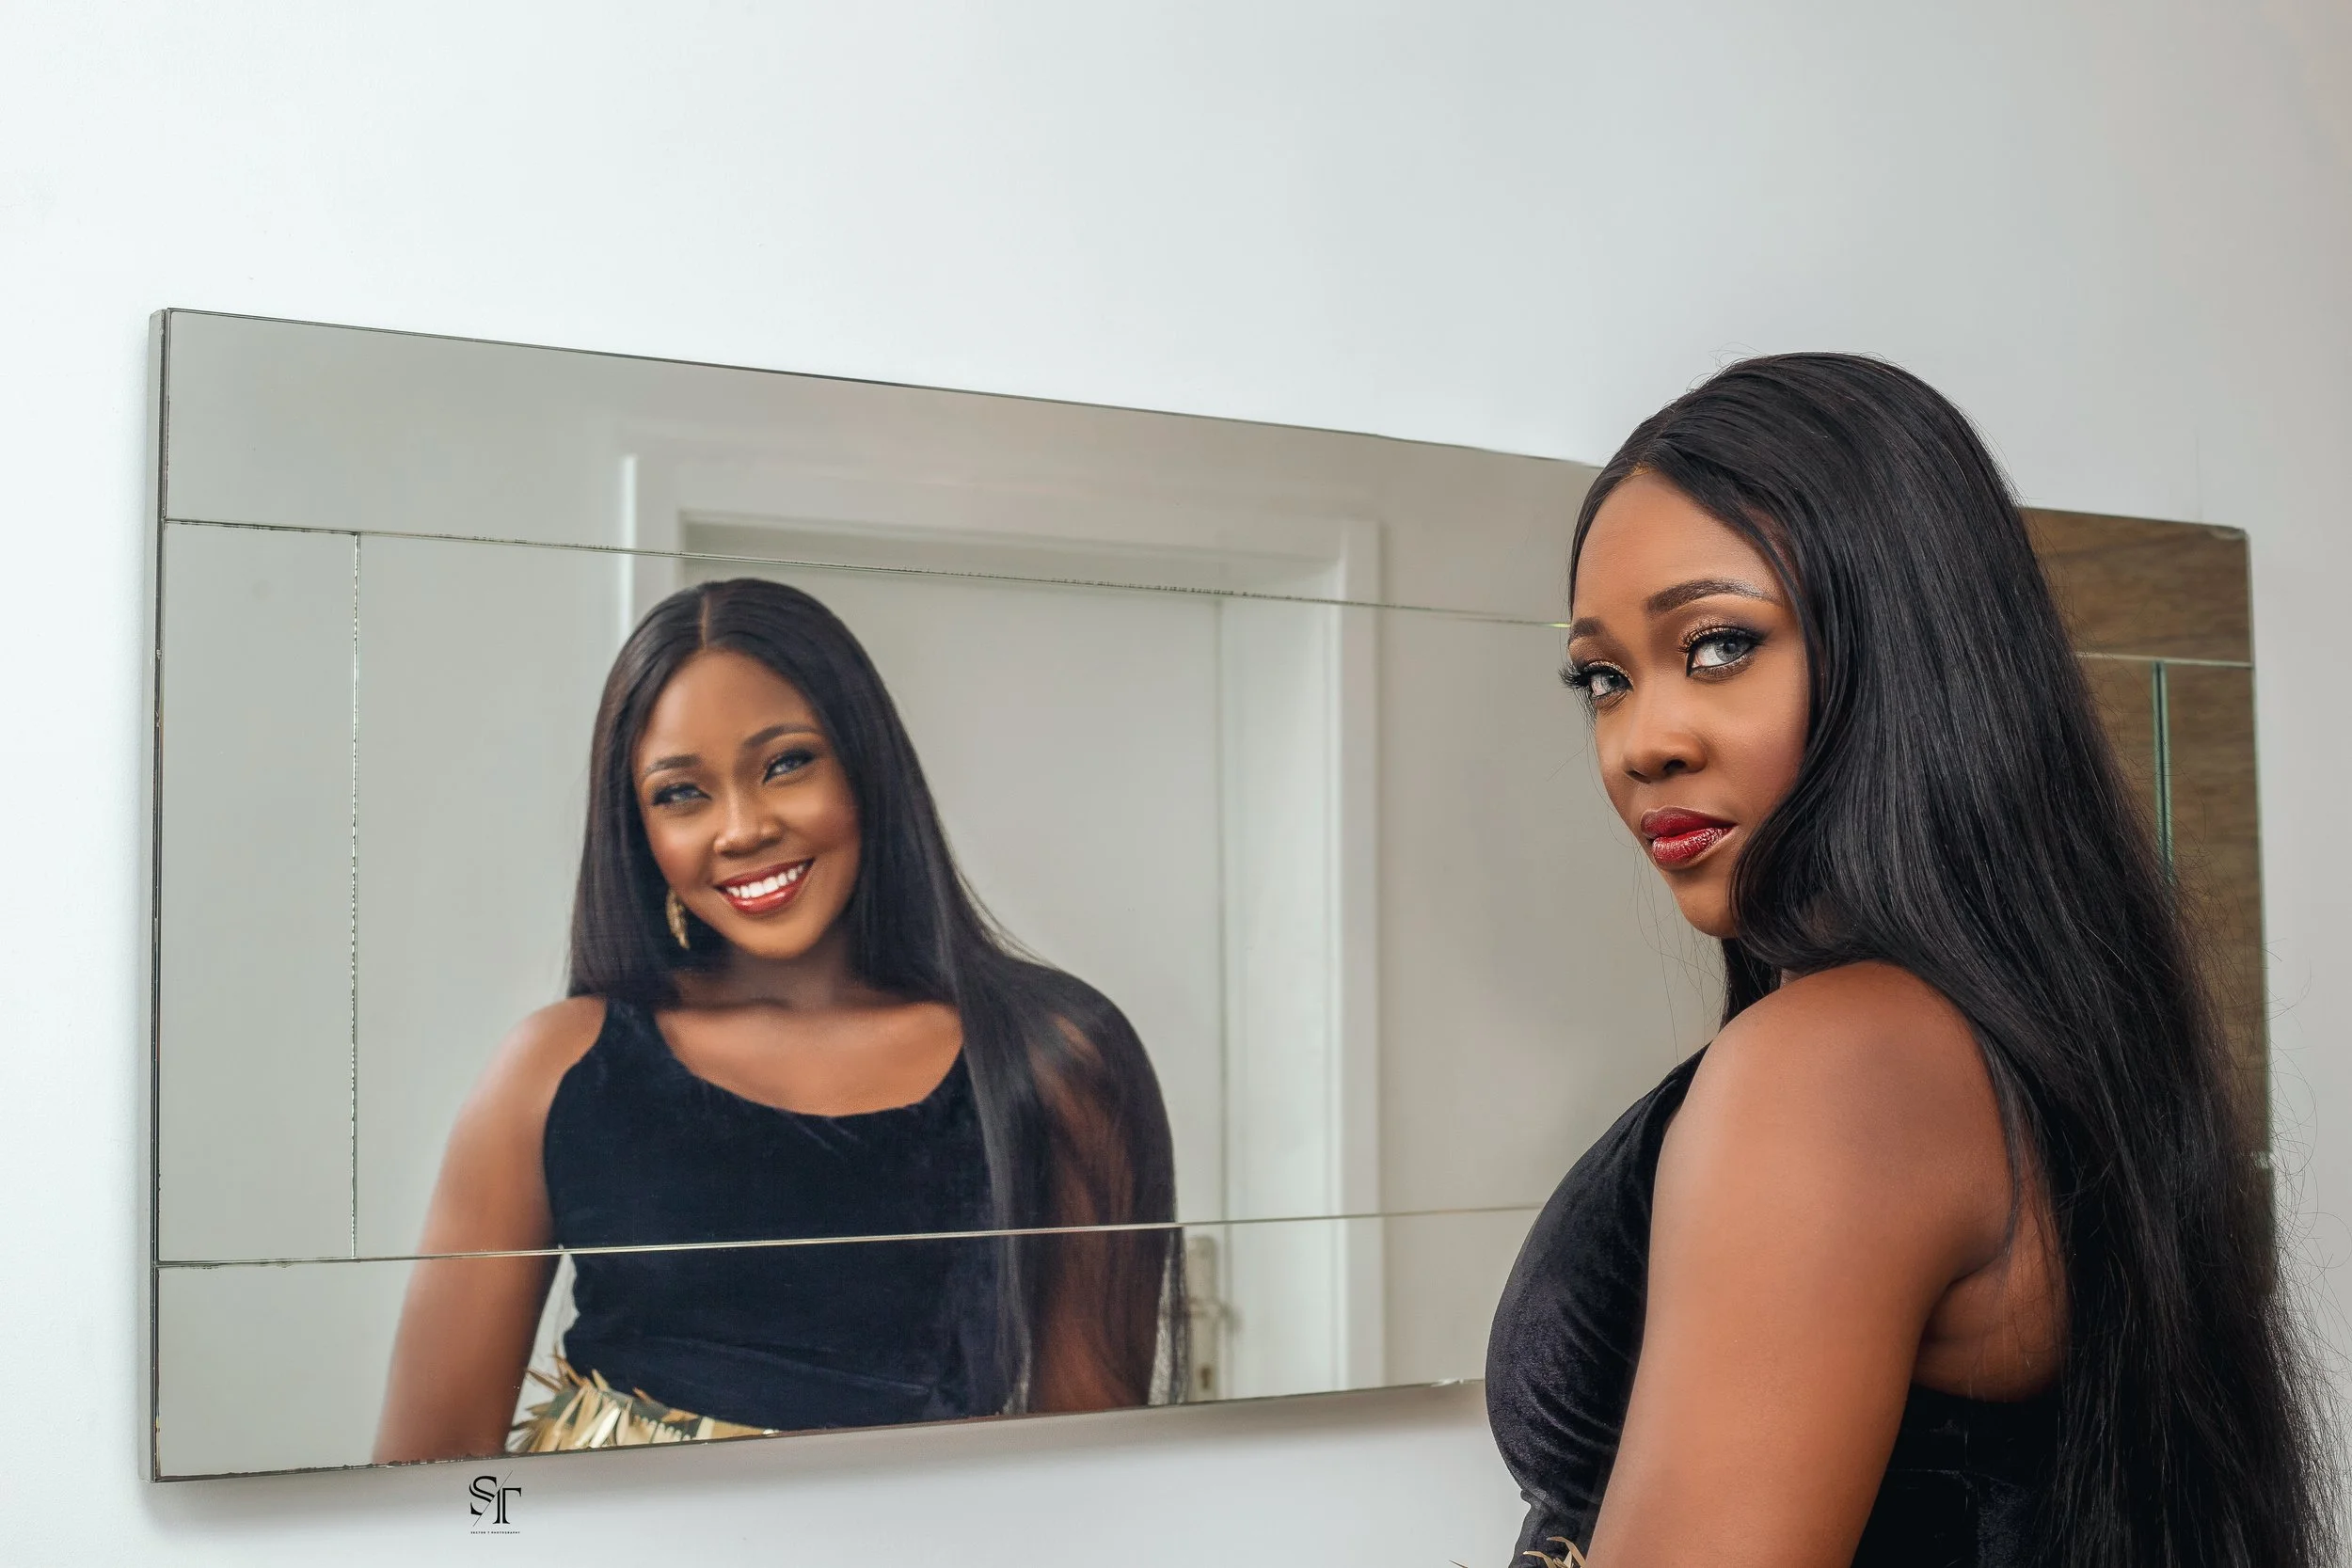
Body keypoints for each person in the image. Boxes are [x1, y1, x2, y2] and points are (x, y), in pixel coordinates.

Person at [1486, 355, 2331, 1567]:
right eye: (1603, 677)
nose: (1641, 740)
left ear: (1908, 648)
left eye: (1717, 644)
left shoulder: (1837, 1064)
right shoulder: (2024, 1035)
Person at [374, 577, 1182, 1462]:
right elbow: (429, 1471)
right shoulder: (558, 1067)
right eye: (682, 793)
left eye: (787, 762)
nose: (743, 828)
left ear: (866, 764)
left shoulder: (1057, 1056)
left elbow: (1094, 1476)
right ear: (637, 828)